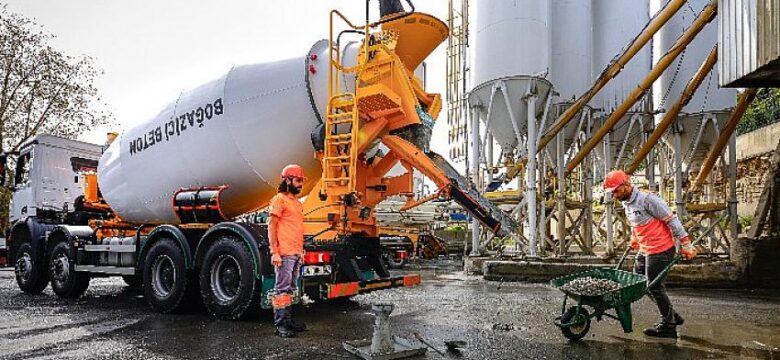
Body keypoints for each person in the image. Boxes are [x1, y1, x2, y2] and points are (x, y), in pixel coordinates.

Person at [604, 170, 697, 338]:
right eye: (612, 192)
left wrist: (686, 243)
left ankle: (669, 326)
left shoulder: (648, 200)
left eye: (616, 191)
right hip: (645, 248)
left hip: (660, 250)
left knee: (654, 287)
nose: (614, 195)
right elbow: (636, 224)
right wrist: (634, 238)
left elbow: (671, 219)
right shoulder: (626, 202)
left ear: (626, 185)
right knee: (638, 283)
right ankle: (672, 316)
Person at [269, 164, 308, 338]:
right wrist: (274, 252)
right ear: (287, 180)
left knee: (290, 289)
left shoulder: (297, 203)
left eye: (301, 181)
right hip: (284, 253)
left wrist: (301, 252)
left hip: (295, 253)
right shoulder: (279, 199)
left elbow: (297, 229)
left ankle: (288, 321)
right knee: (282, 289)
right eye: (298, 180)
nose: (300, 184)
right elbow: (272, 226)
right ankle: (281, 325)